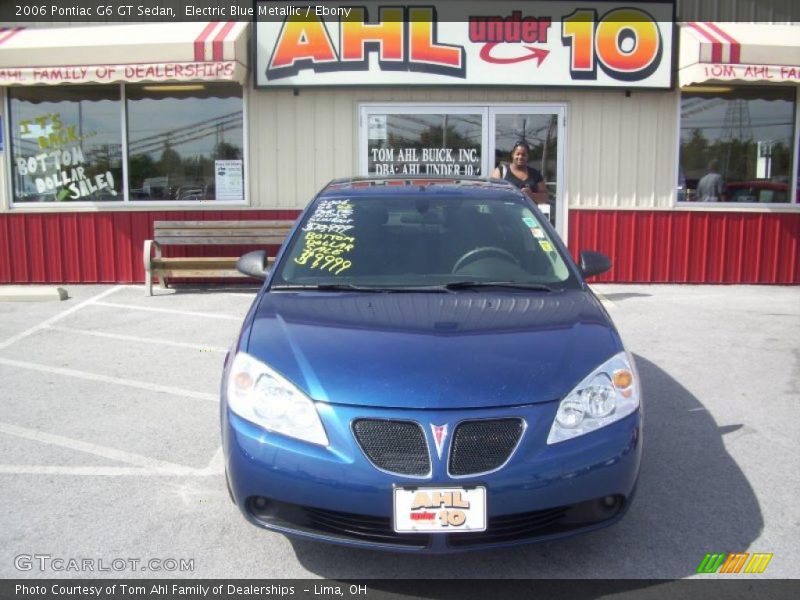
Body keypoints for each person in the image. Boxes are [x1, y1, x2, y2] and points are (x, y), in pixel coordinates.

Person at [492, 140, 549, 205]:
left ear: (528, 156)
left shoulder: (535, 174)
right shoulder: (501, 171)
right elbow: (492, 193)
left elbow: (545, 197)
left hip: (528, 214)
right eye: (518, 154)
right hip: (506, 212)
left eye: (524, 155)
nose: (520, 157)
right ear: (513, 155)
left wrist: (531, 195)